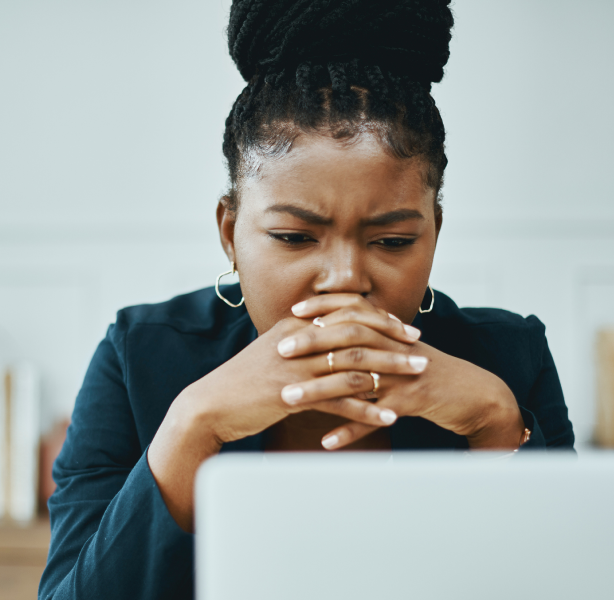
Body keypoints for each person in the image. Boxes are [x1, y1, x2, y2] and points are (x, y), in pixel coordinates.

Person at [38, 1, 574, 599]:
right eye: (294, 237)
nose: (344, 279)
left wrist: (495, 425)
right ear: (230, 234)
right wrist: (193, 426)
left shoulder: (509, 358)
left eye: (392, 241)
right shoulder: (138, 357)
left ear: (435, 234)